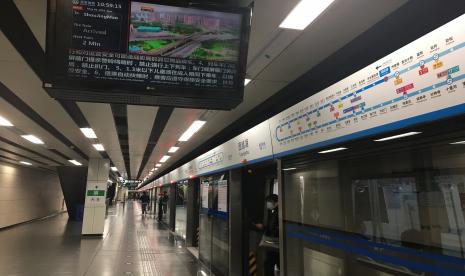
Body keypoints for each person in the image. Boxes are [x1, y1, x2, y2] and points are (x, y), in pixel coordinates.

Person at [255, 194, 280, 276]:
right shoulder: (275, 212)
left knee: (268, 264)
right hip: (276, 244)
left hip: (274, 244)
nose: (267, 204)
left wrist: (263, 228)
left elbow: (273, 228)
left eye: (269, 202)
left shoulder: (277, 213)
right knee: (275, 263)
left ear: (276, 203)